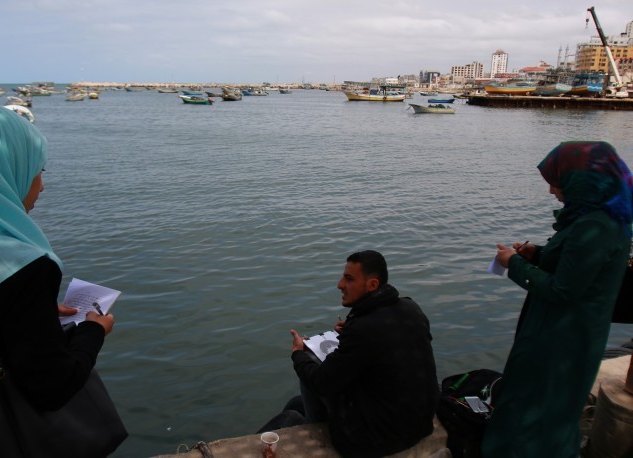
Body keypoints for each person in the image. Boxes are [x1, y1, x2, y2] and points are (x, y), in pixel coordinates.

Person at [0, 104, 118, 455]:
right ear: (1, 171)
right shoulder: (20, 265)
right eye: (37, 171)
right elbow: (53, 386)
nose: (41, 186)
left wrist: (32, 311)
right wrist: (93, 331)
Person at [482, 141, 633, 457]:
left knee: (536, 413)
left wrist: (515, 263)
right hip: (568, 331)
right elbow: (578, 267)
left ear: (581, 181)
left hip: (562, 338)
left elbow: (563, 290)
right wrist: (537, 254)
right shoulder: (602, 217)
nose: (552, 190)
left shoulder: (595, 226)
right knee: (545, 411)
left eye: (557, 181)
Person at [262, 250, 439, 457]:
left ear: (372, 285)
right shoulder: (411, 308)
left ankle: (315, 429)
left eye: (349, 279)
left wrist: (298, 353)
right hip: (421, 425)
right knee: (301, 399)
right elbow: (390, 341)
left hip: (377, 441)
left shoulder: (363, 329)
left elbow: (321, 383)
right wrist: (353, 328)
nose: (340, 285)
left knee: (311, 361)